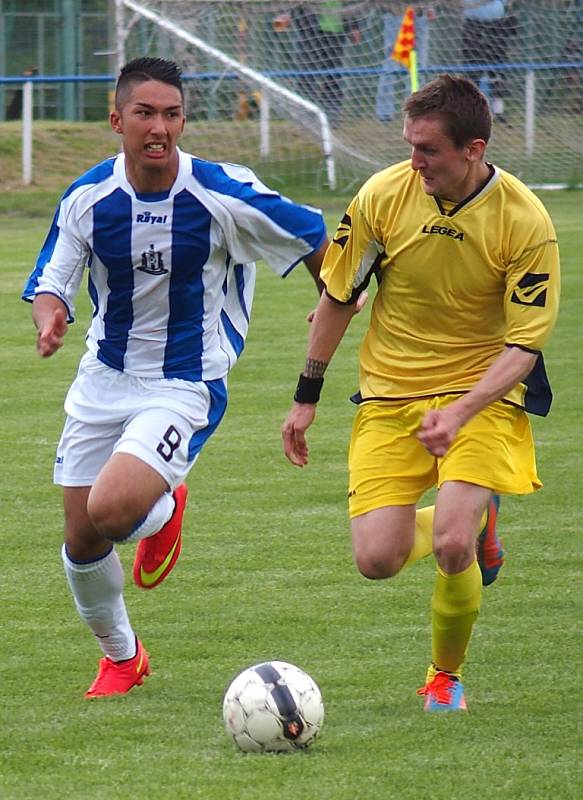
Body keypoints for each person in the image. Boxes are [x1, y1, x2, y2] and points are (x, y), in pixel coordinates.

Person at [23, 57, 328, 699]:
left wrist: (334, 294)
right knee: (80, 542)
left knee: (110, 511)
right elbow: (52, 277)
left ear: (183, 120)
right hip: (103, 375)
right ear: (117, 120)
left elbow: (313, 235)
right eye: (145, 113)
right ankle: (123, 657)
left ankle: (163, 508)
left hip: (185, 382)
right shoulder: (88, 198)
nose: (159, 127)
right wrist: (50, 318)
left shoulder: (221, 193)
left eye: (171, 114)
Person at [282, 74, 560, 711]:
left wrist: (461, 411)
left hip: (482, 396)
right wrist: (306, 396)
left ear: (473, 148)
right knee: (375, 560)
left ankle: (443, 677)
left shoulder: (525, 222)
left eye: (428, 150)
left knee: (454, 545)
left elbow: (523, 348)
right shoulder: (384, 194)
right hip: (389, 394)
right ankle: (478, 515)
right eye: (409, 146)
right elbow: (338, 296)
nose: (414, 162)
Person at [375, 3, 435, 122]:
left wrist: (429, 7)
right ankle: (385, 113)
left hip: (419, 15)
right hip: (396, 15)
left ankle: (415, 109)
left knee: (418, 66)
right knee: (391, 64)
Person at [461, 0, 517, 122]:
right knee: (472, 70)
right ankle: (471, 111)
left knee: (498, 69)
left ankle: (498, 111)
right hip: (473, 25)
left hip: (497, 25)